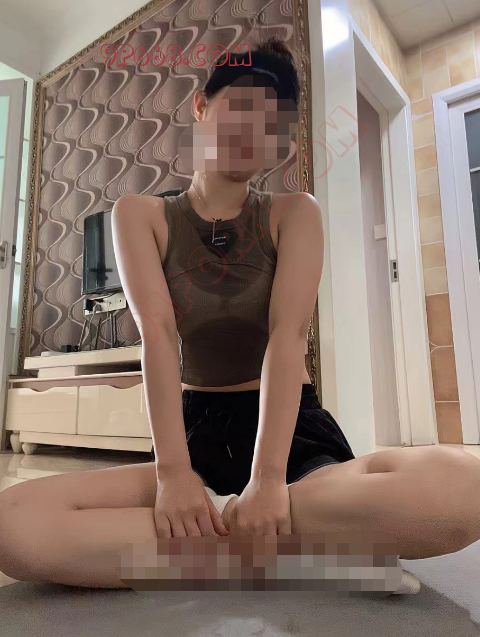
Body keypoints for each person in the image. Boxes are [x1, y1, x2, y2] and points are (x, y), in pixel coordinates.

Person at [0, 37, 479, 591]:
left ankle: (225, 542)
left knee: (464, 489)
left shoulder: (295, 213)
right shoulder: (139, 215)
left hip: (289, 437)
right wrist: (174, 474)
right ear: (202, 106)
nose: (256, 131)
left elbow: (287, 337)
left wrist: (270, 480)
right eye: (244, 107)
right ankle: (300, 548)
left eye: (274, 124)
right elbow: (158, 336)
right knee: (14, 527)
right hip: (192, 438)